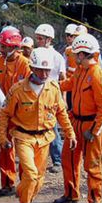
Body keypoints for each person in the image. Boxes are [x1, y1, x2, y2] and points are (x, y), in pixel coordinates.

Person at [0, 47, 76, 203]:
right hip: (23, 137)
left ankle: (25, 197)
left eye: (47, 70)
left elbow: (62, 113)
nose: (44, 74)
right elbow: (4, 114)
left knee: (39, 179)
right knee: (30, 174)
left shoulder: (53, 88)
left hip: (45, 138)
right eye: (40, 70)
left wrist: (70, 133)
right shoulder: (18, 89)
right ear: (32, 68)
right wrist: (1, 137)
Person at [54, 33, 102, 203]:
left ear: (82, 53)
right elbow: (70, 84)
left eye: (76, 54)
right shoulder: (81, 71)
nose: (73, 57)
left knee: (92, 164)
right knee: (69, 158)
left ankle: (94, 200)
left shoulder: (98, 75)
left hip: (91, 126)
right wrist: (53, 85)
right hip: (76, 122)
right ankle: (71, 194)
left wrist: (95, 131)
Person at [0, 28, 31, 196]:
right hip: (4, 111)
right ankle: (7, 182)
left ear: (13, 47)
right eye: (1, 46)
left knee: (23, 148)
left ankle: (25, 182)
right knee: (5, 146)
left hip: (22, 113)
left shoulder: (25, 63)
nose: (1, 49)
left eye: (4, 46)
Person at [35, 23, 66, 173]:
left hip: (50, 96)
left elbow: (62, 78)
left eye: (40, 38)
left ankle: (57, 160)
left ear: (48, 39)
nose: (38, 41)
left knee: (51, 127)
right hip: (35, 94)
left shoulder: (57, 57)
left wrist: (63, 98)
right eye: (37, 38)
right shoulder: (35, 54)